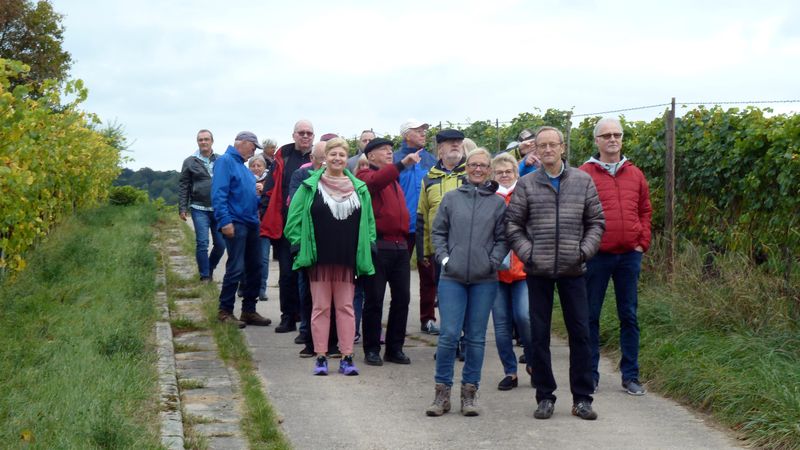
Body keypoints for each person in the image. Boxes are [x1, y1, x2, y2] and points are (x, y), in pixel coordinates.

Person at [505, 126, 605, 421]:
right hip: (539, 270)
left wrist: (583, 251)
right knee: (538, 336)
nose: (547, 150)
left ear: (563, 148)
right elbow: (513, 225)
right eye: (542, 145)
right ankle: (545, 395)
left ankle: (583, 398)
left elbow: (596, 222)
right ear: (536, 150)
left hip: (574, 269)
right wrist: (530, 254)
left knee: (581, 334)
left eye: (553, 145)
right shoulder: (526, 184)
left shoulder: (582, 181)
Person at [425, 147, 507, 417]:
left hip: (485, 279)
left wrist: (492, 261)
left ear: (489, 170)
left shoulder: (497, 203)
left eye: (483, 165)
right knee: (448, 335)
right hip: (453, 278)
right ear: (465, 167)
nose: (478, 169)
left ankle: (470, 394)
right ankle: (442, 394)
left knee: (476, 338)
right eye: (473, 164)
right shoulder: (451, 198)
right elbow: (438, 232)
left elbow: (502, 238)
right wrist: (445, 259)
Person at [284, 137, 376, 376]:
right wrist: (297, 246)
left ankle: (346, 357)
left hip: (348, 257)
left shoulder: (359, 188)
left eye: (341, 155)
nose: (337, 158)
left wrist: (371, 246)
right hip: (318, 257)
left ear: (347, 159)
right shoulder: (310, 186)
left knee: (346, 307)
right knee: (321, 307)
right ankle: (321, 357)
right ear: (325, 157)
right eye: (332, 154)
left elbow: (369, 222)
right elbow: (293, 220)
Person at [579, 117, 652, 396]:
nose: (612, 139)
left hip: (628, 256)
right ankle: (590, 375)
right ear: (597, 140)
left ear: (622, 139)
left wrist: (641, 241)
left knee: (629, 315)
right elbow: (576, 213)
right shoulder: (585, 173)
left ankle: (630, 375)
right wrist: (586, 247)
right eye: (606, 135)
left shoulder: (635, 174)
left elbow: (645, 210)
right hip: (597, 256)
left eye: (617, 135)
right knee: (590, 316)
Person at [356, 137, 421, 366]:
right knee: (374, 300)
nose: (389, 153)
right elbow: (376, 182)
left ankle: (395, 348)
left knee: (402, 298)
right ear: (370, 156)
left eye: (391, 150)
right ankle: (371, 349)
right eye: (383, 150)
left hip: (400, 246)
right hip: (379, 246)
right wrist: (402, 164)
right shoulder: (366, 175)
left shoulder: (392, 178)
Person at [211, 131, 273, 328]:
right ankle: (225, 310)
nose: (254, 151)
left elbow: (248, 198)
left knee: (255, 267)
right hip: (235, 222)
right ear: (243, 143)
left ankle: (249, 310)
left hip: (251, 223)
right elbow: (219, 193)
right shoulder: (225, 161)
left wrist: (259, 196)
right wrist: (224, 221)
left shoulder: (244, 170)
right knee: (236, 267)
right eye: (253, 146)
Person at [261, 120, 314, 333]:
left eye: (309, 133)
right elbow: (270, 189)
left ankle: (307, 317)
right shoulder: (283, 157)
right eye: (301, 132)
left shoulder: (319, 158)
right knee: (287, 274)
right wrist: (266, 216)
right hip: (286, 225)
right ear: (294, 135)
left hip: (311, 227)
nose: (305, 136)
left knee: (309, 274)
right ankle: (288, 317)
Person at [415, 129, 467, 335]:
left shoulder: (471, 175)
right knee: (445, 297)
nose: (455, 145)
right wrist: (423, 252)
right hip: (441, 250)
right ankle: (450, 339)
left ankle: (464, 339)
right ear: (440, 149)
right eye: (450, 142)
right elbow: (422, 217)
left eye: (458, 142)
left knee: (466, 297)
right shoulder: (429, 179)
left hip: (467, 247)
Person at [489, 152, 533, 391]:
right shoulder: (489, 196)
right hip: (496, 272)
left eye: (508, 171)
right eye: (499, 172)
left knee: (525, 316)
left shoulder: (526, 194)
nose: (504, 176)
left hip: (523, 269)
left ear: (516, 173)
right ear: (493, 175)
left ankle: (533, 360)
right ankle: (510, 371)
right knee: (501, 324)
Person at [394, 119, 437, 335]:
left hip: (426, 226)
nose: (423, 134)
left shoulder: (430, 159)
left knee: (429, 274)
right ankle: (395, 322)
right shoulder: (394, 159)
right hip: (401, 227)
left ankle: (428, 318)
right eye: (418, 130)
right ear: (406, 134)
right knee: (397, 277)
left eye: (424, 130)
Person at [178, 129, 225, 282]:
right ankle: (205, 276)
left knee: (220, 244)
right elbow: (184, 185)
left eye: (206, 139)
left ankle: (209, 267)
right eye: (200, 140)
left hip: (218, 208)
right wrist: (182, 208)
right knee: (202, 242)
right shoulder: (190, 161)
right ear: (197, 142)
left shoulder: (221, 160)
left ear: (212, 141)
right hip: (199, 208)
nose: (203, 142)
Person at [248, 155, 270, 301]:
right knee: (247, 258)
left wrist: (264, 191)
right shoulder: (245, 178)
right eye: (253, 165)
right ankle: (244, 285)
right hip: (248, 223)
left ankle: (262, 288)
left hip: (264, 224)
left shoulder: (269, 180)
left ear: (264, 167)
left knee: (263, 259)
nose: (256, 168)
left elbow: (273, 198)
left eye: (259, 165)